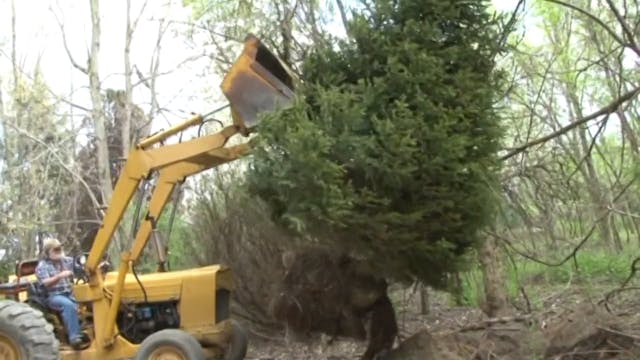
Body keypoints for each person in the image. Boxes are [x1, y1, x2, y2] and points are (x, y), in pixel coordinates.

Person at [35, 238, 84, 349]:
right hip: (53, 296)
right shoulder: (42, 266)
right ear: (48, 253)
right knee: (68, 305)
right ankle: (74, 338)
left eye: (59, 248)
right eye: (55, 249)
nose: (58, 251)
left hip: (70, 292)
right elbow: (45, 283)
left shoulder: (67, 261)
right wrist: (60, 276)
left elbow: (81, 267)